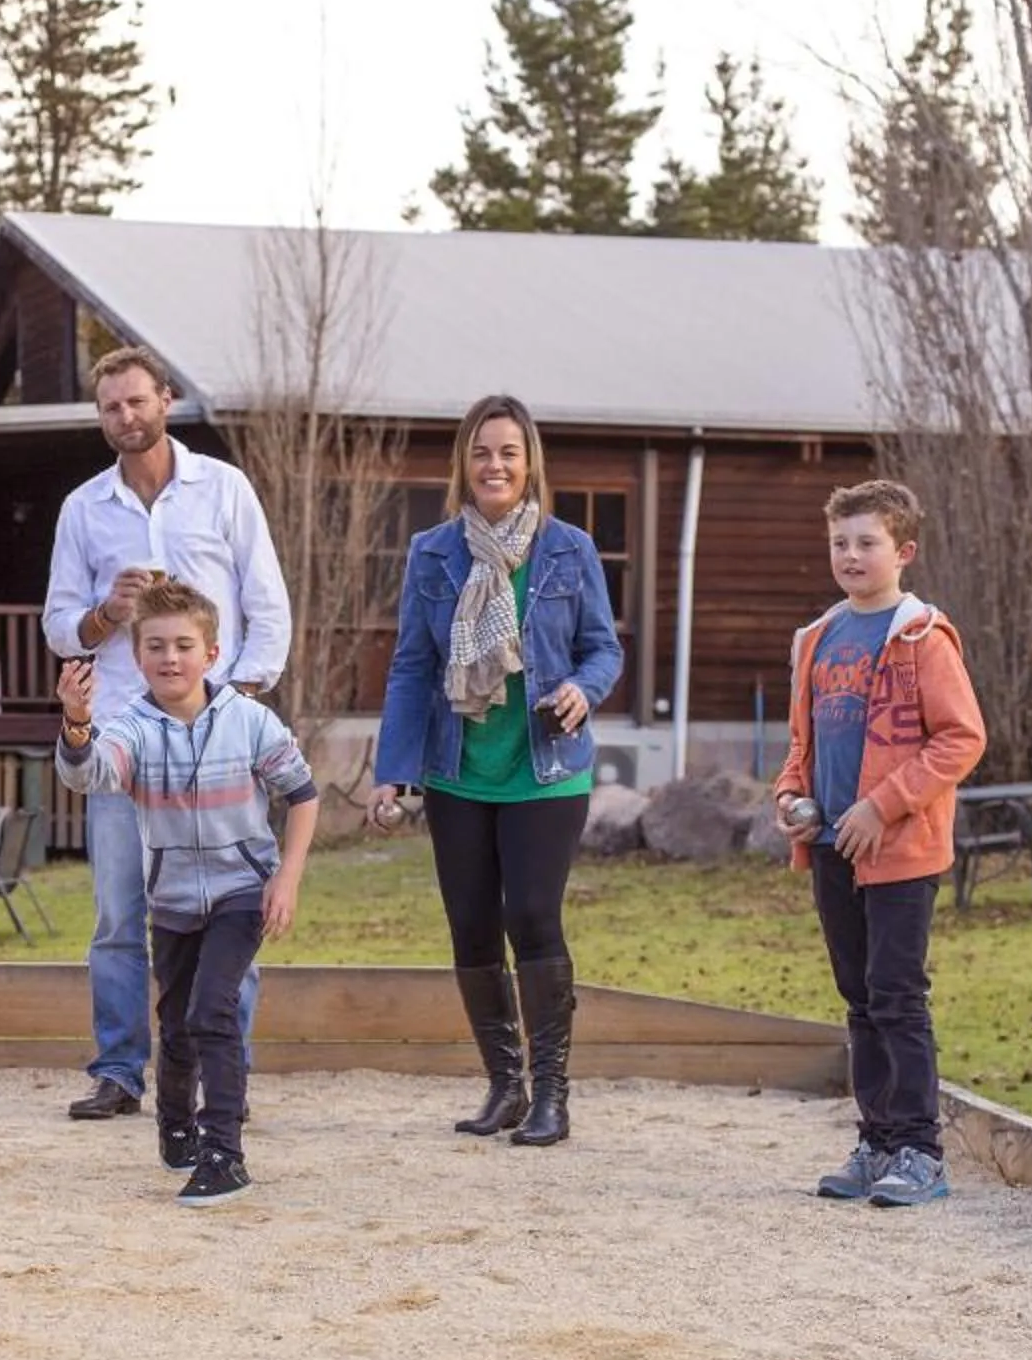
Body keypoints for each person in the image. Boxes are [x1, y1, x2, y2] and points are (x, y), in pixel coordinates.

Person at [44, 344, 292, 1121]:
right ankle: (120, 1070)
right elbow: (60, 630)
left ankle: (228, 1070)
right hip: (125, 739)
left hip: (217, 743)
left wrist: (240, 704)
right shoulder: (84, 510)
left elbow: (268, 607)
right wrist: (108, 613)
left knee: (227, 908)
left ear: (167, 400)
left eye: (137, 401)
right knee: (121, 915)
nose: (126, 416)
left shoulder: (223, 489)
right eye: (111, 407)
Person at [369, 394, 623, 1146]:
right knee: (472, 929)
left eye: (509, 452)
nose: (495, 465)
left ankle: (552, 1095)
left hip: (545, 769)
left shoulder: (569, 548)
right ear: (464, 464)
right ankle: (504, 1086)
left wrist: (584, 688)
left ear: (529, 461)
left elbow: (602, 648)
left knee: (533, 920)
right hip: (457, 770)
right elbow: (413, 666)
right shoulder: (433, 553)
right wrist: (395, 768)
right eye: (482, 452)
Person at [54, 578, 318, 1205]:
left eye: (182, 645)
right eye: (155, 647)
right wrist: (77, 723)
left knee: (211, 1011)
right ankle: (175, 1125)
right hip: (171, 899)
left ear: (212, 653)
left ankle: (224, 1152)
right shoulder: (134, 728)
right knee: (175, 1023)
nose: (170, 657)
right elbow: (92, 774)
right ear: (137, 657)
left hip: (240, 891)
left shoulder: (250, 722)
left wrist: (287, 877)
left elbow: (303, 796)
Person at [775, 478, 986, 1208]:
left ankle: (919, 1150)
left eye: (867, 542)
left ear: (903, 552)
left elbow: (962, 738)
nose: (851, 555)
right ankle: (875, 1141)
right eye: (840, 542)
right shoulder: (819, 638)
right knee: (859, 998)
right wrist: (791, 799)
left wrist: (880, 805)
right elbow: (803, 741)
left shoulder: (923, 638)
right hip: (833, 847)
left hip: (900, 851)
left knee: (898, 996)